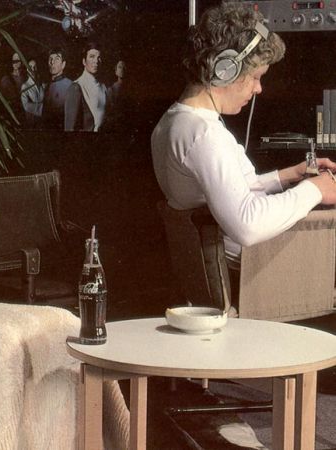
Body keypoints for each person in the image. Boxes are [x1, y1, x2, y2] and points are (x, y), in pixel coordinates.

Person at [151, 3, 336, 266]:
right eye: (255, 77)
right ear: (225, 69)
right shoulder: (204, 135)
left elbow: (228, 193)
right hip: (257, 271)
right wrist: (315, 189)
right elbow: (247, 225)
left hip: (242, 264)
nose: (259, 89)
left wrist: (288, 176)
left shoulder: (177, 121)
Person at [64, 42, 108, 132]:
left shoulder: (103, 87)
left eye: (99, 57)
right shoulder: (76, 87)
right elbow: (69, 129)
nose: (96, 61)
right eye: (92, 56)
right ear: (84, 61)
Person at [42, 48, 72, 129]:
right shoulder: (46, 86)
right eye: (50, 59)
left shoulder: (70, 86)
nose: (52, 62)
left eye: (57, 59)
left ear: (63, 64)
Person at [20, 58, 44, 128]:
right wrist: (43, 108)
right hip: (32, 122)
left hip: (43, 121)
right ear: (27, 69)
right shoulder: (25, 86)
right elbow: (26, 105)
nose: (33, 69)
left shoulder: (41, 85)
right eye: (30, 67)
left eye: (35, 67)